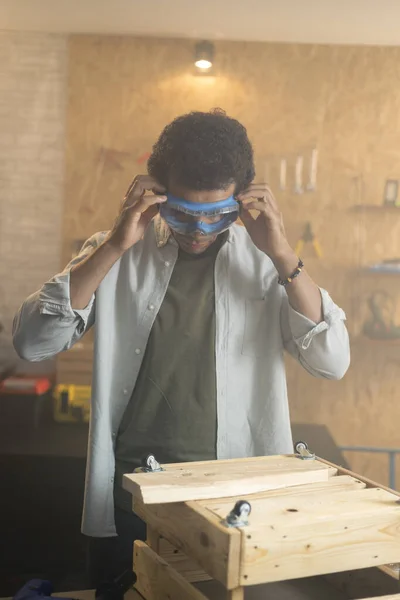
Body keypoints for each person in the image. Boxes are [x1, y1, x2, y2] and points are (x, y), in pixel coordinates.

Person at [12, 110, 350, 586]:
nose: (200, 229)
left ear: (243, 199)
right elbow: (31, 342)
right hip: (133, 491)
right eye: (184, 213)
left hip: (234, 495)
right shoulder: (118, 251)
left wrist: (283, 255)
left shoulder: (265, 262)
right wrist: (112, 245)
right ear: (155, 191)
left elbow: (332, 361)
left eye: (219, 213)